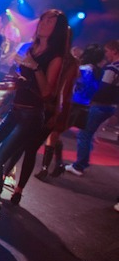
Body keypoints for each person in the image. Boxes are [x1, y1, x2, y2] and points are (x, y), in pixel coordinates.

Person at [0, 9, 68, 231]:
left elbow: (47, 93)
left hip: (31, 116)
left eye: (50, 21)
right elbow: (20, 81)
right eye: (43, 19)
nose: (43, 23)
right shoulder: (31, 48)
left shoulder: (55, 57)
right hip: (15, 110)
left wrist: (36, 67)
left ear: (57, 29)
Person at [34, 42, 104, 179]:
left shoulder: (83, 69)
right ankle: (58, 164)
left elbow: (67, 80)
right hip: (83, 107)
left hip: (72, 105)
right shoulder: (98, 72)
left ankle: (45, 168)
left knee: (52, 133)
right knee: (54, 134)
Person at [65, 39, 119, 176]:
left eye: (107, 51)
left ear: (114, 51)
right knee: (88, 134)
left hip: (101, 106)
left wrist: (89, 95)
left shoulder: (112, 68)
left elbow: (103, 88)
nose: (105, 54)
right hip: (110, 106)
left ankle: (79, 166)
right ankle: (82, 163)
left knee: (85, 134)